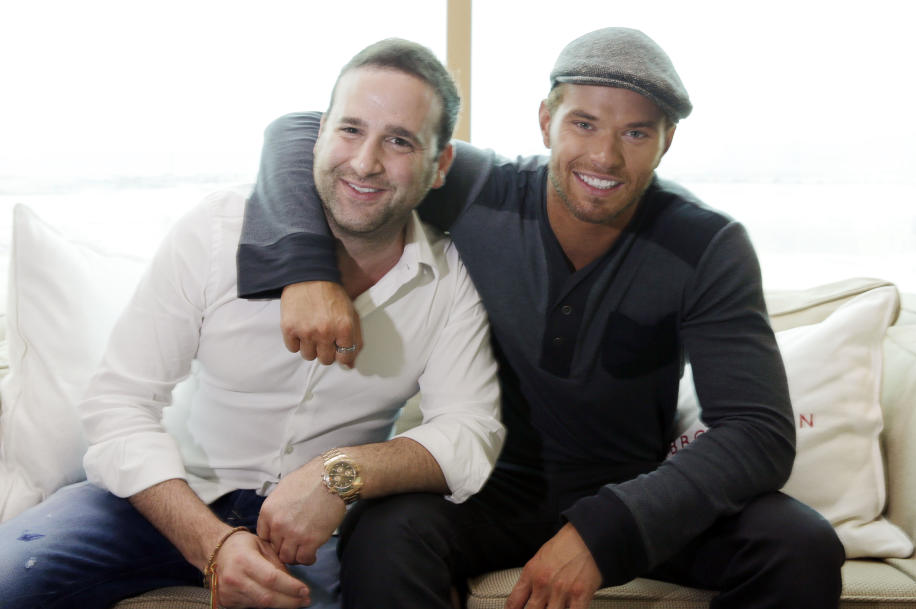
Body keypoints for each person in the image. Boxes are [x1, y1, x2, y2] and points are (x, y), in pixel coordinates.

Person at [237, 27, 845, 609]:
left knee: (800, 546)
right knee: (383, 532)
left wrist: (602, 532)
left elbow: (758, 435)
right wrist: (306, 271)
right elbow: (296, 131)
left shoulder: (707, 244)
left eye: (636, 133)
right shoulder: (481, 189)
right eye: (584, 123)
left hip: (632, 487)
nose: (604, 156)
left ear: (667, 141)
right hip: (486, 489)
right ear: (546, 121)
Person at [0, 39, 504, 609]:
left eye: (399, 141)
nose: (365, 162)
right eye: (350, 130)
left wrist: (338, 473)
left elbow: (469, 435)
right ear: (317, 135)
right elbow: (118, 403)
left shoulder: (448, 279)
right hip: (157, 500)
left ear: (439, 167)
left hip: (319, 530)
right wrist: (210, 543)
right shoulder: (216, 230)